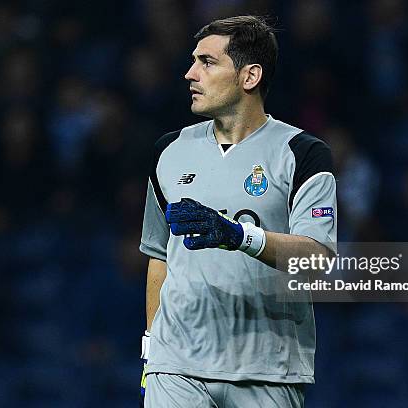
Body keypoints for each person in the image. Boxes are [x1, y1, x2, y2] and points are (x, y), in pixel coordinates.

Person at [139, 15, 337, 408]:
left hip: (268, 367)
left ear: (250, 77)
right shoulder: (168, 151)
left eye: (207, 62)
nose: (189, 73)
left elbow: (318, 261)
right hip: (176, 365)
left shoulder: (302, 154)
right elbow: (159, 256)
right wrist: (150, 348)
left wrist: (240, 237)